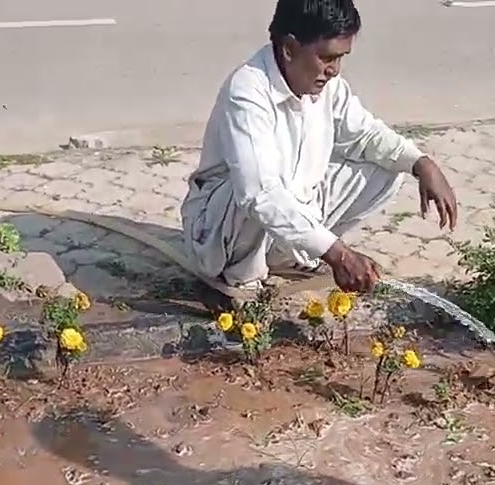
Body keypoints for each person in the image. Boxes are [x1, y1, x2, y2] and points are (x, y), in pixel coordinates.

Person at [180, 0, 458, 297]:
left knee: (389, 167)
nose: (334, 70)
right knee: (255, 188)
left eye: (340, 58)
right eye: (327, 58)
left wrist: (422, 164)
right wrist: (339, 254)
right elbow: (260, 194)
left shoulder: (325, 85)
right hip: (220, 235)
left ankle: (289, 255)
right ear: (289, 49)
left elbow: (366, 135)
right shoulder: (247, 92)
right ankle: (243, 275)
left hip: (287, 214)